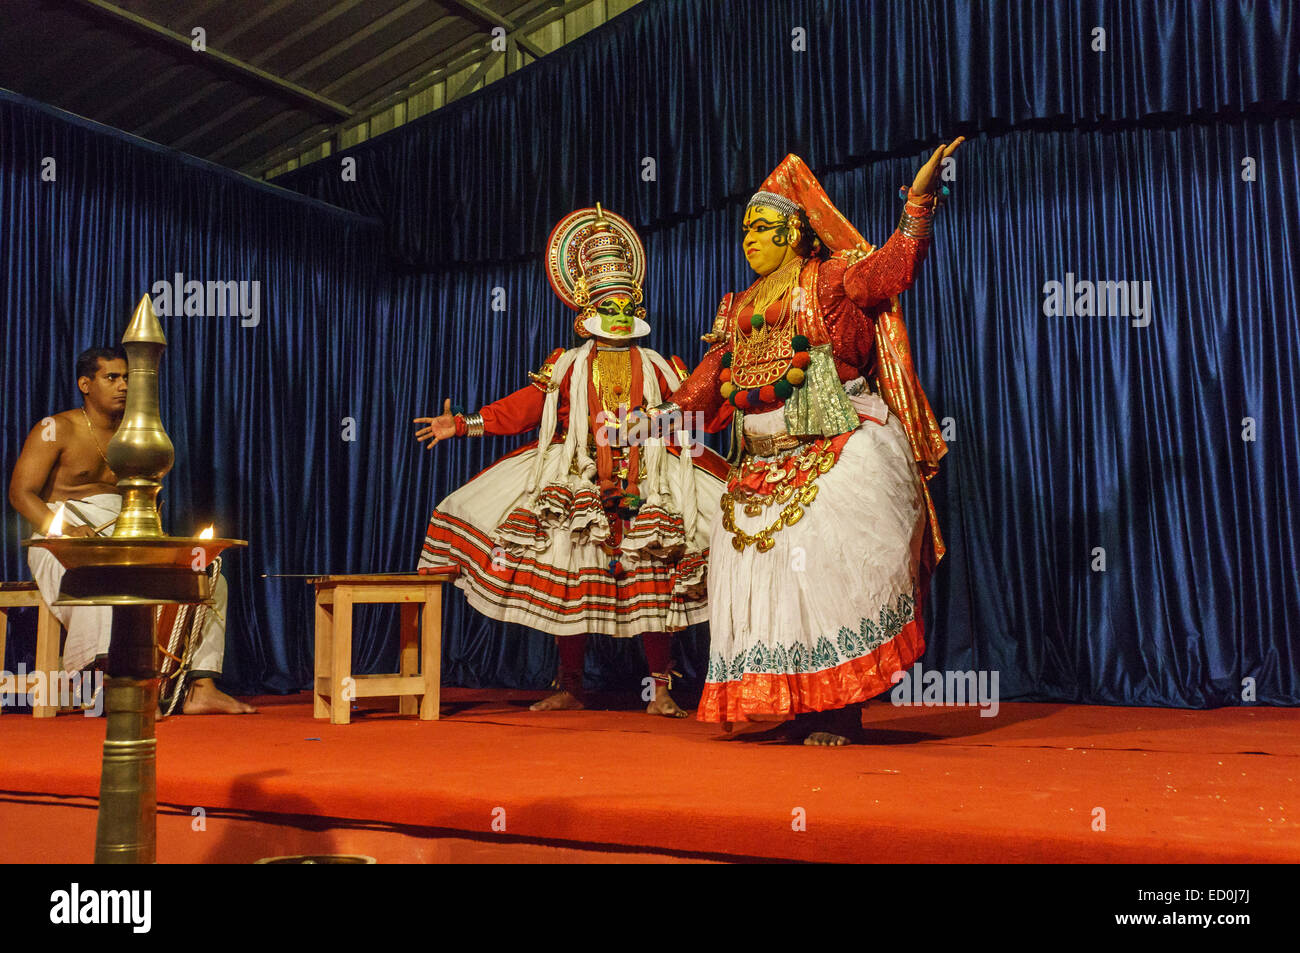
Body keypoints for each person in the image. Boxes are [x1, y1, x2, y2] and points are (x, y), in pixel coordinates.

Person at [652, 144, 962, 744]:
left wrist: (919, 200)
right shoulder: (739, 305)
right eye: (744, 229)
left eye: (762, 228)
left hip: (838, 449)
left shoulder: (831, 280)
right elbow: (711, 380)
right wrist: (653, 416)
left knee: (825, 572)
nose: (749, 239)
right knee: (760, 580)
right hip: (763, 467)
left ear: (797, 233)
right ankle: (796, 707)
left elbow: (893, 269)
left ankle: (840, 711)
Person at [415, 205, 728, 717]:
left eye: (626, 300)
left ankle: (661, 690)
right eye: (610, 301)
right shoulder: (566, 364)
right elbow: (526, 409)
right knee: (570, 579)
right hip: (576, 479)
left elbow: (697, 411)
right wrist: (465, 424)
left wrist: (730, 384)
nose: (620, 309)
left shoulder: (659, 366)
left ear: (638, 301)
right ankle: (573, 686)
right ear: (589, 307)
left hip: (651, 477)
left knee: (653, 579)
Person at [8, 346, 255, 714]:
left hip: (123, 535)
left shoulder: (140, 433)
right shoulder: (55, 428)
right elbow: (20, 493)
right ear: (85, 384)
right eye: (112, 378)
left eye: (127, 377)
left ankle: (199, 686)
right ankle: (114, 688)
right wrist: (65, 532)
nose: (123, 385)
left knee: (207, 577)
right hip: (60, 538)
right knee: (99, 582)